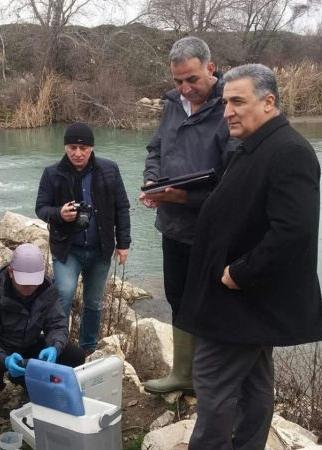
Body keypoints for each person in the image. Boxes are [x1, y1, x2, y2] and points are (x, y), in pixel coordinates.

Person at [175, 64, 322, 450]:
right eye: (225, 102)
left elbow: (293, 232)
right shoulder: (256, 145)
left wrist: (239, 274)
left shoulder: (290, 151)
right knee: (255, 382)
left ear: (269, 102)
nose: (228, 111)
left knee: (210, 380)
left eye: (238, 101)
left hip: (243, 299)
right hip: (242, 300)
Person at [139, 36, 233, 395]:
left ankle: (212, 379)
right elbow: (155, 149)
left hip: (210, 229)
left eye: (192, 79)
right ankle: (183, 375)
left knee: (212, 303)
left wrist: (185, 196)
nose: (185, 88)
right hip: (172, 225)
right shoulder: (173, 106)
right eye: (178, 81)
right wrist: (151, 181)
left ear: (211, 68)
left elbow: (235, 181)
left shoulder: (230, 107)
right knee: (177, 297)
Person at [35, 122, 131, 355]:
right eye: (72, 147)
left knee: (94, 303)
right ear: (65, 147)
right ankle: (59, 346)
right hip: (68, 249)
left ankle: (87, 348)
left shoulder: (109, 169)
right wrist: (59, 214)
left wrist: (123, 243)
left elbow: (122, 207)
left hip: (101, 248)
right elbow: (41, 208)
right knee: (63, 296)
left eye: (83, 148)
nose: (77, 153)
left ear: (91, 148)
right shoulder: (52, 173)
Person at [0, 243, 86, 420]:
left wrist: (54, 347)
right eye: (24, 282)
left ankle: (25, 379)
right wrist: (4, 360)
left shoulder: (46, 288)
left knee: (74, 356)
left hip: (26, 342)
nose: (29, 287)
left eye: (34, 281)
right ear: (11, 272)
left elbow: (57, 324)